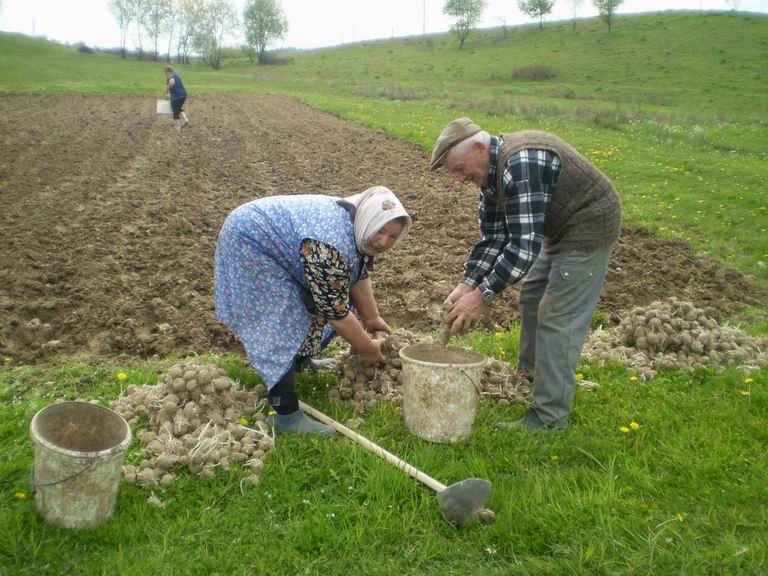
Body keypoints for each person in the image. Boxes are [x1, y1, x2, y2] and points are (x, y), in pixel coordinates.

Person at [430, 117, 621, 432]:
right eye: (456, 173)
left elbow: (521, 249)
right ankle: (530, 375)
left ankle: (549, 417)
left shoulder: (521, 163)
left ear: (479, 147)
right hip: (555, 228)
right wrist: (467, 284)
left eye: (460, 169)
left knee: (558, 317)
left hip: (588, 223)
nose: (461, 178)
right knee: (532, 295)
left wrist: (481, 297)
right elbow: (494, 238)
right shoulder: (490, 176)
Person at [214, 186, 411, 435]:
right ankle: (285, 414)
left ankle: (300, 361)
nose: (383, 242)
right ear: (368, 220)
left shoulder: (357, 227)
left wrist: (372, 318)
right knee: (278, 318)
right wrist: (366, 348)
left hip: (285, 244)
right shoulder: (329, 244)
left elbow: (356, 273)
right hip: (251, 242)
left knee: (316, 297)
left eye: (392, 236)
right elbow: (335, 312)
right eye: (380, 230)